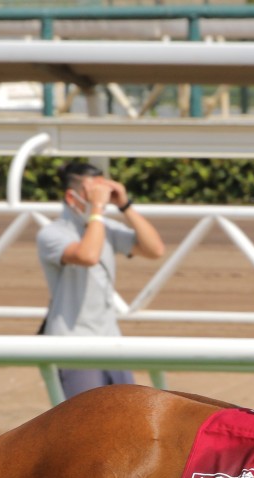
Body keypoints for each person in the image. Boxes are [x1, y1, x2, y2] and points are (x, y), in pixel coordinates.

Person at [36, 161, 165, 400]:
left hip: (111, 339)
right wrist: (97, 209)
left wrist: (124, 205)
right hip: (72, 345)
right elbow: (88, 255)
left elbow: (154, 249)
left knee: (126, 415)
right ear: (71, 196)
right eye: (93, 191)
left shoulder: (104, 227)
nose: (101, 198)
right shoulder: (51, 233)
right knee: (85, 426)